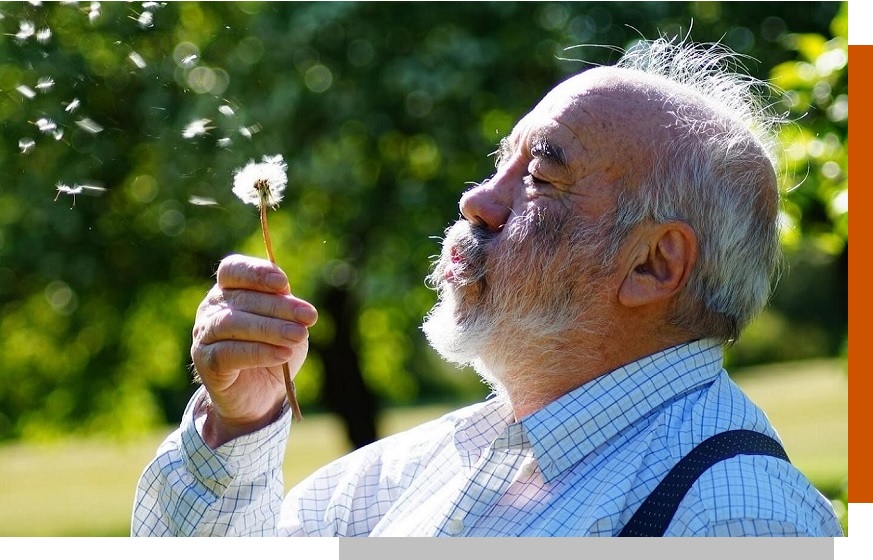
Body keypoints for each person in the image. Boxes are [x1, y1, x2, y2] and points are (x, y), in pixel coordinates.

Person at [131, 37, 843, 537]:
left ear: (653, 266)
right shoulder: (407, 472)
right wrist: (239, 426)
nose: (477, 199)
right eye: (500, 163)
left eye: (539, 177)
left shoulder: (732, 515)